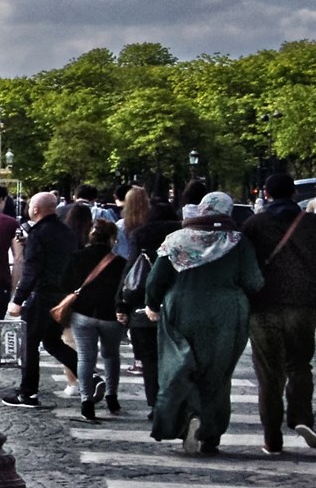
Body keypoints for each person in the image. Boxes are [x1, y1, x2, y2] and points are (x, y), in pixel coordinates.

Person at [243, 173, 316, 456]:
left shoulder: (254, 224)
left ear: (266, 194)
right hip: (304, 305)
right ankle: (302, 417)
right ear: (293, 194)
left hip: (263, 305)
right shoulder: (314, 225)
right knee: (300, 365)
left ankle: (272, 437)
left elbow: (243, 267)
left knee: (268, 373)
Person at [147, 191, 261, 456]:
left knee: (179, 366)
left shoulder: (176, 240)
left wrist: (152, 305)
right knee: (218, 375)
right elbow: (253, 281)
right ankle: (210, 435)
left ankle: (189, 415)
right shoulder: (237, 241)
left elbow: (156, 279)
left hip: (182, 308)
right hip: (226, 313)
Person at [1, 190, 81, 409]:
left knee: (28, 343)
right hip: (61, 295)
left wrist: (17, 299)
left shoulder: (38, 234)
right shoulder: (67, 232)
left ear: (35, 209)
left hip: (41, 295)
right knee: (53, 342)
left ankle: (28, 392)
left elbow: (32, 270)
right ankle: (90, 376)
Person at [55, 206, 126, 421]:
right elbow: (125, 289)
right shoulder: (120, 263)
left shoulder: (78, 257)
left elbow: (64, 283)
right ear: (112, 239)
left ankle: (86, 401)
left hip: (83, 313)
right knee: (111, 355)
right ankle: (112, 397)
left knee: (86, 358)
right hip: (110, 315)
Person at [114, 185, 164, 411]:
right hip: (172, 302)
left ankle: (155, 404)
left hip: (138, 294)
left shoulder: (128, 230)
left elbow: (127, 266)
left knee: (150, 358)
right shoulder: (176, 235)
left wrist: (120, 303)